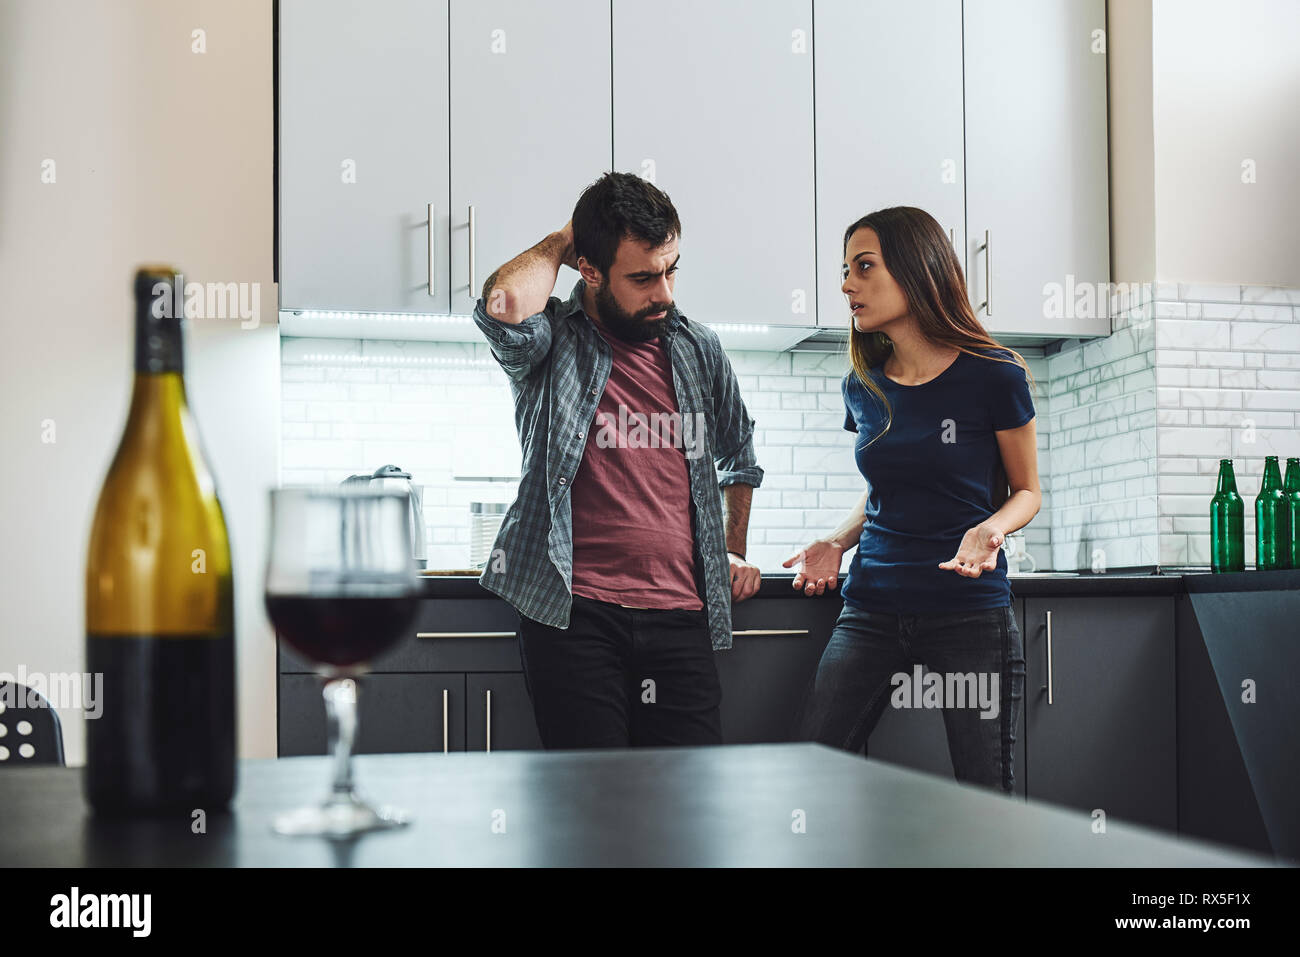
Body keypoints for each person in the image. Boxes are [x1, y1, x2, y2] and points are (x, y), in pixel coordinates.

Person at [471, 171, 763, 749]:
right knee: (590, 807)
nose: (665, 293)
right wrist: (564, 237)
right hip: (574, 618)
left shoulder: (697, 347)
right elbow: (502, 307)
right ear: (591, 269)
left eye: (671, 269)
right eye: (643, 277)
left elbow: (738, 453)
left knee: (689, 808)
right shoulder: (551, 341)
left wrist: (733, 548)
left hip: (682, 616)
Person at [788, 206, 1039, 793]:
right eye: (845, 270)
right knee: (809, 772)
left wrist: (991, 530)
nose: (847, 284)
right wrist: (836, 542)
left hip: (968, 611)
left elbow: (1027, 491)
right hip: (871, 606)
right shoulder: (863, 384)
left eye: (864, 267)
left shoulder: (994, 374)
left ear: (917, 268)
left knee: (984, 795)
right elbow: (881, 493)